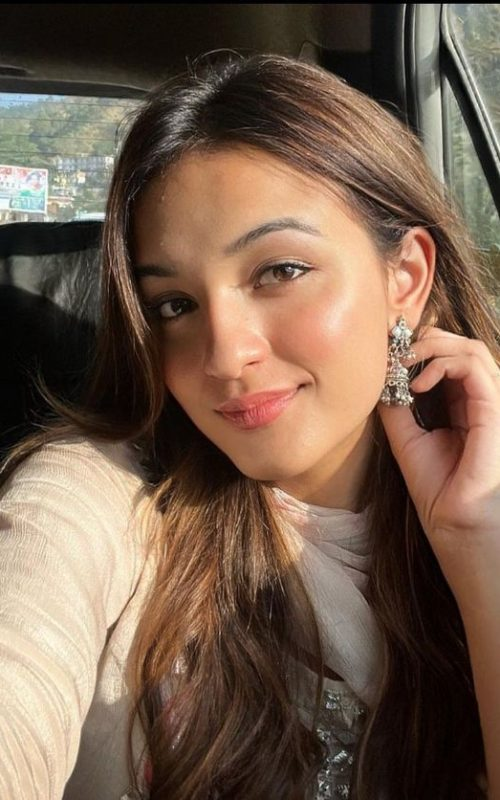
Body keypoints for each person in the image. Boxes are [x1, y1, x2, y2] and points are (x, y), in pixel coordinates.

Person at [0, 53, 499, 800]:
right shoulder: (99, 499)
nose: (225, 356)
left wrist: (478, 542)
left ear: (405, 277)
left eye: (279, 271)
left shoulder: (486, 490)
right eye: (175, 305)